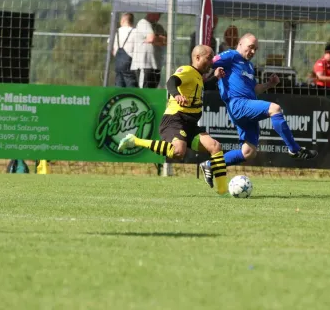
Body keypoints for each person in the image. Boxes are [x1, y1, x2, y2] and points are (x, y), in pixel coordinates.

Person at [199, 33, 318, 176]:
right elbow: (207, 63)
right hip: (238, 104)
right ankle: (294, 149)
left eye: (255, 49)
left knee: (248, 152)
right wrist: (209, 75)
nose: (253, 52)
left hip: (247, 105)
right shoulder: (230, 55)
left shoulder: (249, 66)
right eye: (250, 47)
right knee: (275, 108)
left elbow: (254, 89)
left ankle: (210, 165)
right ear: (240, 44)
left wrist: (269, 84)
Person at [118, 45, 230, 195]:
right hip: (175, 119)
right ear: (197, 57)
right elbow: (171, 81)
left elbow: (204, 86)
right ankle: (134, 140)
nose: (211, 62)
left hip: (191, 123)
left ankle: (223, 191)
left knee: (215, 146)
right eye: (209, 58)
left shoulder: (197, 76)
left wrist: (216, 77)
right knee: (178, 152)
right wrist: (177, 94)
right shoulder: (187, 70)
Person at [131, 12, 166, 88]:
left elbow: (167, 40)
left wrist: (156, 39)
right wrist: (158, 39)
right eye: (158, 14)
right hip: (144, 66)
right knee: (145, 92)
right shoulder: (143, 23)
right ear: (151, 13)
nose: (159, 16)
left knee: (152, 92)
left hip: (156, 66)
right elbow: (151, 38)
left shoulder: (159, 27)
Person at [112, 12, 138, 87]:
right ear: (132, 21)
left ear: (123, 20)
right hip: (130, 63)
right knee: (131, 84)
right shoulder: (135, 31)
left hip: (118, 62)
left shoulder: (117, 31)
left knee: (119, 83)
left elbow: (113, 50)